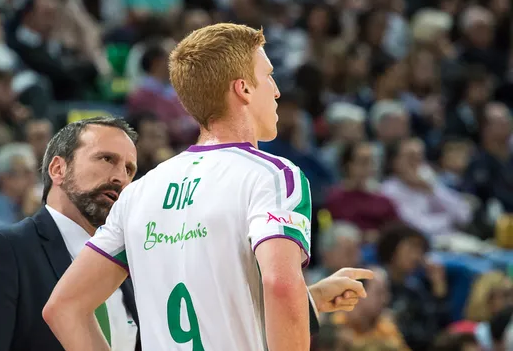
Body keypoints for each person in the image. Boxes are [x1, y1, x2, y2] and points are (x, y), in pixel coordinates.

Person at [44, 23, 373, 350]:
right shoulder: (273, 176)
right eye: (269, 76)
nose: (276, 91)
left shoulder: (138, 193)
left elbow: (63, 308)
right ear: (243, 89)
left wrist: (310, 299)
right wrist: (297, 298)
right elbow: (280, 285)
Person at [0, 117, 141, 351]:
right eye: (107, 159)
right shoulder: (5, 249)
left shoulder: (127, 267)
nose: (121, 178)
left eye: (129, 170)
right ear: (58, 169)